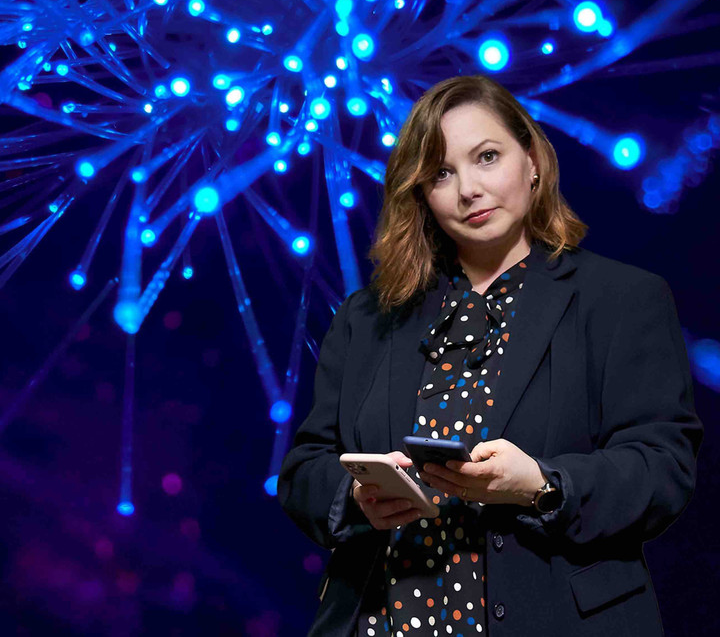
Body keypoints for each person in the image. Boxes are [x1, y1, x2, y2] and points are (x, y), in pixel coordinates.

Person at [278, 75, 702, 636]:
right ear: (422, 196)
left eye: (487, 157)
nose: (468, 189)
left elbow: (663, 470)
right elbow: (303, 469)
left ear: (532, 160)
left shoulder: (623, 299)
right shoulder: (368, 316)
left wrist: (543, 484)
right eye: (441, 174)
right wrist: (355, 496)